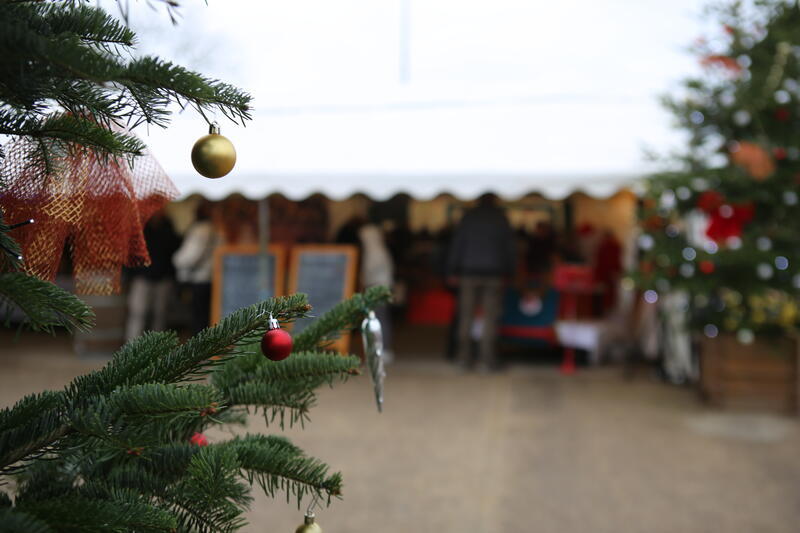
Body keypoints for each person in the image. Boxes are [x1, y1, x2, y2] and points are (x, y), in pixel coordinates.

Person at [446, 194, 516, 371]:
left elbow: (458, 244)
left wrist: (452, 269)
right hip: (494, 272)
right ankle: (486, 360)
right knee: (490, 318)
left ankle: (463, 358)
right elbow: (509, 247)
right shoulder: (501, 218)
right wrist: (510, 271)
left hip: (468, 272)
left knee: (466, 316)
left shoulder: (468, 217)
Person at [125, 211, 181, 341]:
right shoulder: (141, 227)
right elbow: (131, 253)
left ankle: (157, 346)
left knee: (160, 314)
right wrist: (129, 275)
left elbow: (174, 250)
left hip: (162, 277)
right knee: (138, 313)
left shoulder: (168, 227)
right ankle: (132, 347)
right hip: (142, 277)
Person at [173, 201, 218, 334]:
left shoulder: (201, 229)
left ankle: (199, 348)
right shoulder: (214, 228)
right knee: (204, 316)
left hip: (199, 278)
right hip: (209, 276)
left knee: (198, 318)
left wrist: (177, 261)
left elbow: (192, 255)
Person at [358, 223, 395, 362]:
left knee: (378, 319)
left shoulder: (375, 252)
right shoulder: (380, 249)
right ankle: (377, 348)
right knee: (378, 319)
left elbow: (369, 272)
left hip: (377, 288)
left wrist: (363, 280)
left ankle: (381, 349)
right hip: (380, 287)